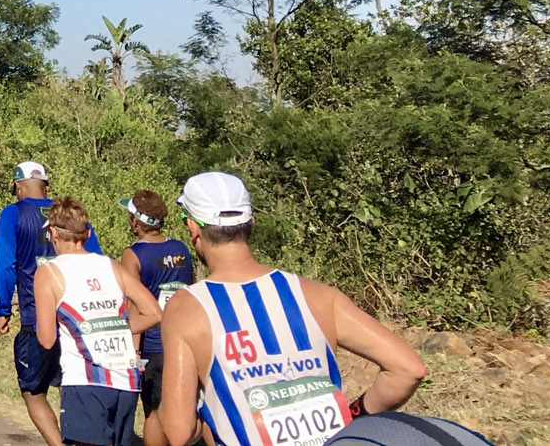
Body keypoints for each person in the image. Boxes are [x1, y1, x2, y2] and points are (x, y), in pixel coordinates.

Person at [160, 173, 426, 446]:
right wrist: (354, 417)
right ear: (251, 222)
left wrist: (215, 415)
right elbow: (408, 369)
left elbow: (178, 432)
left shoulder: (186, 308)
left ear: (192, 227)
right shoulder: (319, 295)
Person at [34, 197, 161, 446]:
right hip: (125, 381)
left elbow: (47, 339)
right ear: (88, 233)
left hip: (85, 381)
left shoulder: (48, 272)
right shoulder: (110, 265)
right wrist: (113, 327)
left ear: (53, 233)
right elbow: (155, 313)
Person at [0, 160, 102, 446]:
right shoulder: (70, 215)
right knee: (71, 383)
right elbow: (98, 260)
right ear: (47, 186)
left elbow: (6, 266)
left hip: (35, 316)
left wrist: (3, 310)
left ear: (18, 187)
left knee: (33, 390)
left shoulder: (12, 214)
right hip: (78, 315)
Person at [114, 191, 194, 446]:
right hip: (185, 341)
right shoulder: (181, 249)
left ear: (136, 222)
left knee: (153, 412)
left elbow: (133, 305)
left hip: (153, 345)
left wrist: (133, 352)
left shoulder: (133, 254)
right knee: (187, 406)